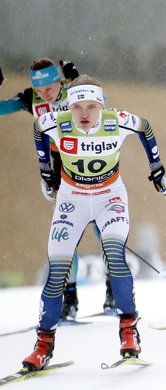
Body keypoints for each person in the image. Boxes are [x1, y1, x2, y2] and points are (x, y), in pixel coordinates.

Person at [22, 75, 166, 371]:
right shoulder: (56, 120)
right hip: (71, 198)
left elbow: (146, 127)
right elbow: (38, 129)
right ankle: (43, 344)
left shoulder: (117, 120)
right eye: (78, 107)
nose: (85, 114)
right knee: (58, 270)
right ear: (70, 107)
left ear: (102, 105)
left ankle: (129, 331)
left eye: (92, 106)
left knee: (115, 256)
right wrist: (45, 172)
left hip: (109, 197)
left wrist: (157, 167)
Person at [0, 58, 117, 319]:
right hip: (61, 168)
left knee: (102, 230)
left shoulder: (74, 91)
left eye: (49, 89)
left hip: (90, 162)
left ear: (60, 81)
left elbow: (103, 100)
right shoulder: (32, 100)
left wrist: (79, 82)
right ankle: (70, 298)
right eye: (40, 91)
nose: (45, 96)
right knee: (67, 236)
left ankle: (113, 291)